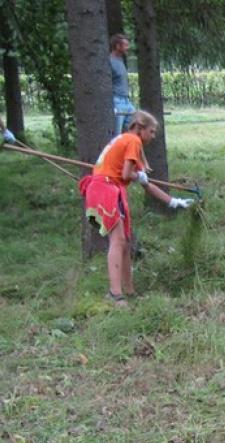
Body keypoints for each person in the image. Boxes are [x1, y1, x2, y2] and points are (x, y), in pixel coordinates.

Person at [78, 110, 193, 306]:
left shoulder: (124, 140)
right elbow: (126, 173)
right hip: (105, 188)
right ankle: (115, 294)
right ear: (140, 129)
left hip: (106, 188)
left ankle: (129, 290)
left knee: (125, 240)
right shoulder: (133, 141)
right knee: (118, 240)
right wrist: (136, 175)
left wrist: (173, 201)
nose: (153, 136)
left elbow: (146, 184)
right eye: (152, 131)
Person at [109, 34, 136, 135]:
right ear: (117, 46)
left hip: (126, 101)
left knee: (135, 124)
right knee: (116, 134)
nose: (127, 48)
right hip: (117, 101)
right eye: (125, 45)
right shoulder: (109, 61)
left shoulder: (120, 60)